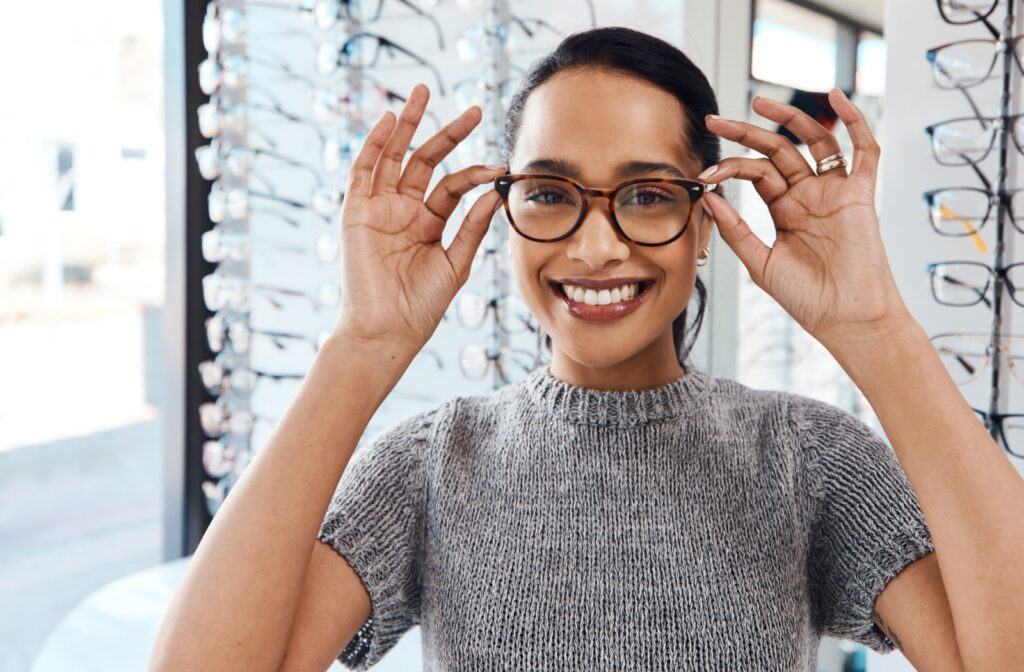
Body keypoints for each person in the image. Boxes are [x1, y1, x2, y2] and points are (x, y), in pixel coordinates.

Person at [149, 27, 1024, 672]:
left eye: (645, 195)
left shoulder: (807, 457)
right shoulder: (434, 461)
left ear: (706, 220)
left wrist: (878, 334)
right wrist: (360, 347)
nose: (597, 247)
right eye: (550, 191)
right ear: (506, 212)